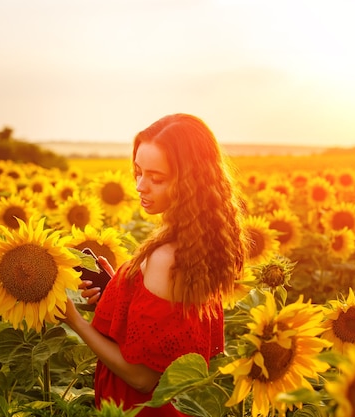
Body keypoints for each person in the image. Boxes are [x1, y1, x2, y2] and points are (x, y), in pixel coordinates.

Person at [62, 113, 247, 416]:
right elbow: (165, 339)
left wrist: (74, 321)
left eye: (156, 178)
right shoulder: (197, 247)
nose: (140, 186)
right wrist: (119, 295)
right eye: (138, 172)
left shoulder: (167, 259)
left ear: (190, 182)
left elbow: (142, 377)